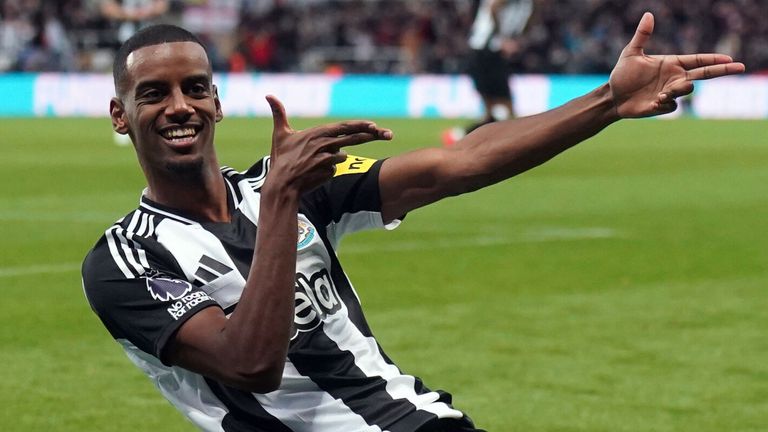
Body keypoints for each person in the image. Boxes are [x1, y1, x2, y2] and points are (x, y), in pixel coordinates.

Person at [81, 14, 744, 432]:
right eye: (154, 94)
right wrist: (282, 201)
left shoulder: (284, 184)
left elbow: (459, 165)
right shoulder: (124, 261)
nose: (180, 107)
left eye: (195, 88)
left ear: (218, 102)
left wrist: (606, 100)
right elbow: (248, 364)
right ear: (120, 115)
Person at [443, 0, 534, 146]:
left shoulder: (527, 5)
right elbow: (494, 7)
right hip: (484, 50)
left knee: (497, 101)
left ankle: (470, 134)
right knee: (500, 100)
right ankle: (517, 138)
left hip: (487, 51)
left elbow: (526, 17)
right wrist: (502, 38)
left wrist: (515, 38)